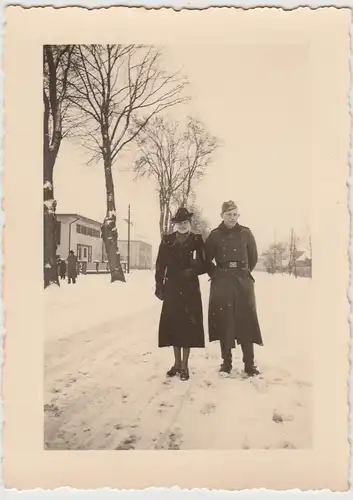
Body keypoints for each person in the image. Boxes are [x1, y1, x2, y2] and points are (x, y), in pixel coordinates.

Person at [205, 200, 263, 377]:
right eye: (229, 214)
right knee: (225, 322)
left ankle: (249, 365)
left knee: (246, 322)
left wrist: (242, 273)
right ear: (222, 216)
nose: (232, 217)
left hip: (242, 283)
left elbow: (253, 257)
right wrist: (216, 274)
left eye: (235, 214)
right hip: (222, 283)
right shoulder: (215, 235)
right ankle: (226, 363)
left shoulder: (246, 233)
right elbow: (205, 258)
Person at [155, 207, 207, 381]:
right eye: (179, 223)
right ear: (175, 225)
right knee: (174, 326)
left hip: (191, 288)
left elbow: (204, 262)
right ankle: (176, 363)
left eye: (185, 223)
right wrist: (159, 284)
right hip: (172, 288)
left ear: (189, 223)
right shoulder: (167, 240)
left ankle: (185, 365)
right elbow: (160, 264)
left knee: (188, 327)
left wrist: (192, 271)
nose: (183, 226)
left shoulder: (197, 240)